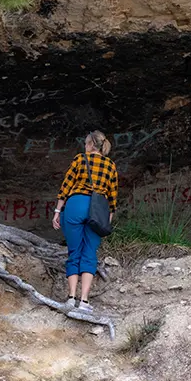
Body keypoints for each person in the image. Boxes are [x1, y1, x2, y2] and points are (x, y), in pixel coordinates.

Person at [52, 131, 118, 313]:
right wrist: (107, 219)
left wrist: (58, 211)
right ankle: (84, 301)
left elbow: (66, 186)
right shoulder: (110, 165)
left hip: (75, 204)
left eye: (86, 143)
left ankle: (71, 298)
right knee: (89, 253)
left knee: (74, 252)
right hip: (98, 210)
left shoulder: (80, 159)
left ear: (90, 144)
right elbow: (112, 197)